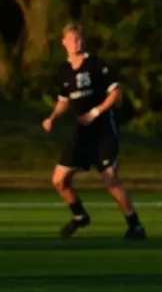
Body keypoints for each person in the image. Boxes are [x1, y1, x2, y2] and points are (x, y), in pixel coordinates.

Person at [42, 22, 146, 240]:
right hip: (81, 133)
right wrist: (52, 118)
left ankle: (135, 225)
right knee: (59, 180)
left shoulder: (96, 64)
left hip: (102, 131)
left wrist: (95, 112)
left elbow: (115, 93)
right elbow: (64, 100)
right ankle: (80, 216)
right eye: (71, 39)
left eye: (79, 39)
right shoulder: (63, 71)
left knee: (110, 179)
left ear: (84, 41)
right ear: (64, 42)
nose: (75, 43)